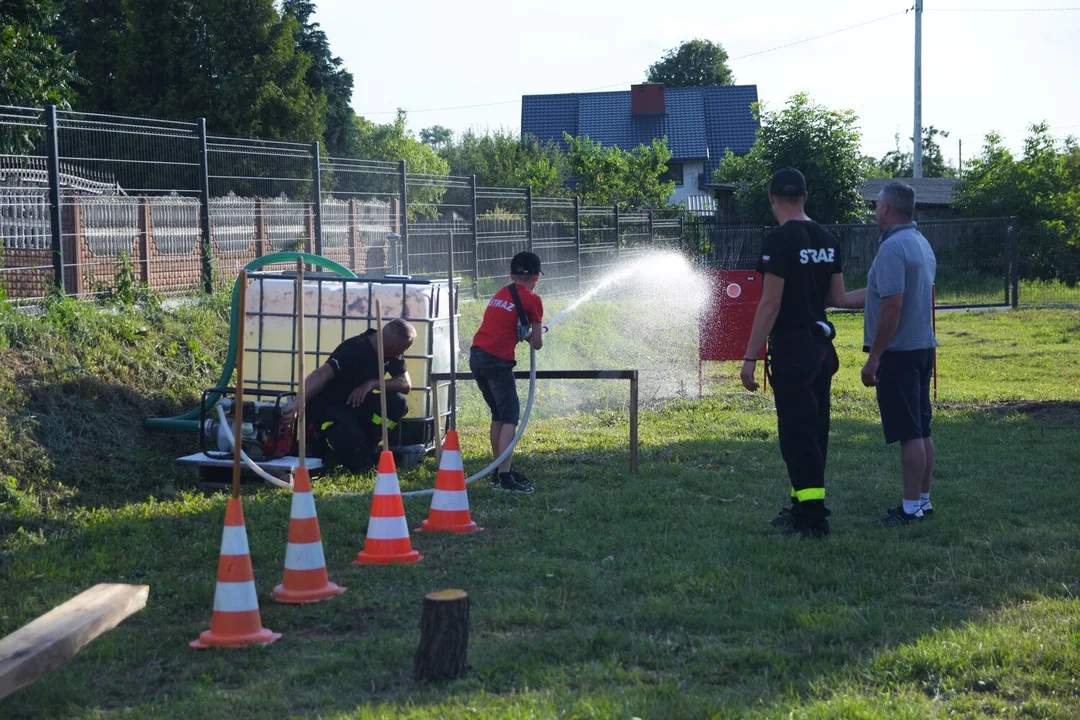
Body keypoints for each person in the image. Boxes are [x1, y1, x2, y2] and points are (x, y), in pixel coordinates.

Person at [739, 168, 865, 538]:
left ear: (772, 199)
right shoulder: (827, 237)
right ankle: (801, 508)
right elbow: (837, 299)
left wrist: (750, 357)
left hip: (794, 350)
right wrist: (884, 294)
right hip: (822, 351)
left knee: (797, 435)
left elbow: (770, 303)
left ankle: (812, 519)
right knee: (814, 431)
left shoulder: (778, 240)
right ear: (806, 198)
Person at [860, 181, 938, 526]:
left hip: (899, 353)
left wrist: (874, 357)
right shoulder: (920, 242)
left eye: (877, 204)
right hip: (922, 348)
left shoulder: (892, 248)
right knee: (921, 429)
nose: (876, 210)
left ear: (887, 208)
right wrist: (836, 299)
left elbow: (892, 305)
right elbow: (880, 291)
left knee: (909, 432)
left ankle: (908, 510)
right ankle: (922, 500)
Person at [281, 318, 416, 473]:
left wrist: (372, 383)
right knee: (352, 436)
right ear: (395, 347)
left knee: (397, 402)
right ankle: (330, 449)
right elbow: (321, 374)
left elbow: (405, 384)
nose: (403, 353)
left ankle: (367, 449)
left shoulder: (392, 354)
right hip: (330, 406)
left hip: (356, 405)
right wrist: (297, 404)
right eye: (404, 349)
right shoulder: (355, 349)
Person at [470, 251, 545, 493]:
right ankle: (505, 477)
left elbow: (504, 325)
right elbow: (536, 343)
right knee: (510, 417)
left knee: (498, 416)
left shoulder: (501, 293)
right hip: (497, 362)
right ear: (536, 276)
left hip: (477, 356)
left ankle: (497, 470)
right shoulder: (533, 300)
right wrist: (539, 332)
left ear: (511, 275)